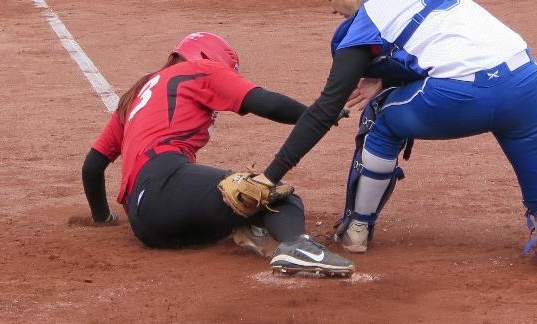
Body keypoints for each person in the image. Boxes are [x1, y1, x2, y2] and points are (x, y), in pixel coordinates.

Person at [256, 0, 537, 276]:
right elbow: (445, 39)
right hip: (523, 80)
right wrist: (388, 76)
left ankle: (356, 228)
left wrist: (271, 175)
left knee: (380, 116)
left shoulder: (369, 17)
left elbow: (325, 107)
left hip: (463, 96)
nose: (333, 8)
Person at [79, 31, 354, 277]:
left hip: (146, 225)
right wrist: (317, 115)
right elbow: (266, 103)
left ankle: (250, 227)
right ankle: (298, 245)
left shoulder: (136, 95)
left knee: (242, 204)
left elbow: (92, 167)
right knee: (275, 195)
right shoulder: (200, 68)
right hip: (164, 181)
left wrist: (103, 217)